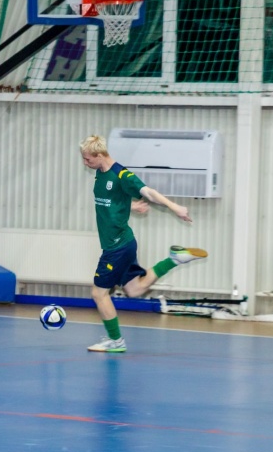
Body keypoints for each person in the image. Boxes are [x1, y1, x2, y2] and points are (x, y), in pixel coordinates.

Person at [79, 134, 207, 353]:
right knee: (135, 289)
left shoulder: (122, 175)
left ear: (99, 155)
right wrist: (130, 206)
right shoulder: (100, 173)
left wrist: (174, 207)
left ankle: (116, 341)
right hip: (124, 243)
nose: (85, 163)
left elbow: (149, 193)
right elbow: (112, 202)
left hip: (117, 247)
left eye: (88, 159)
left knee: (99, 294)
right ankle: (174, 259)